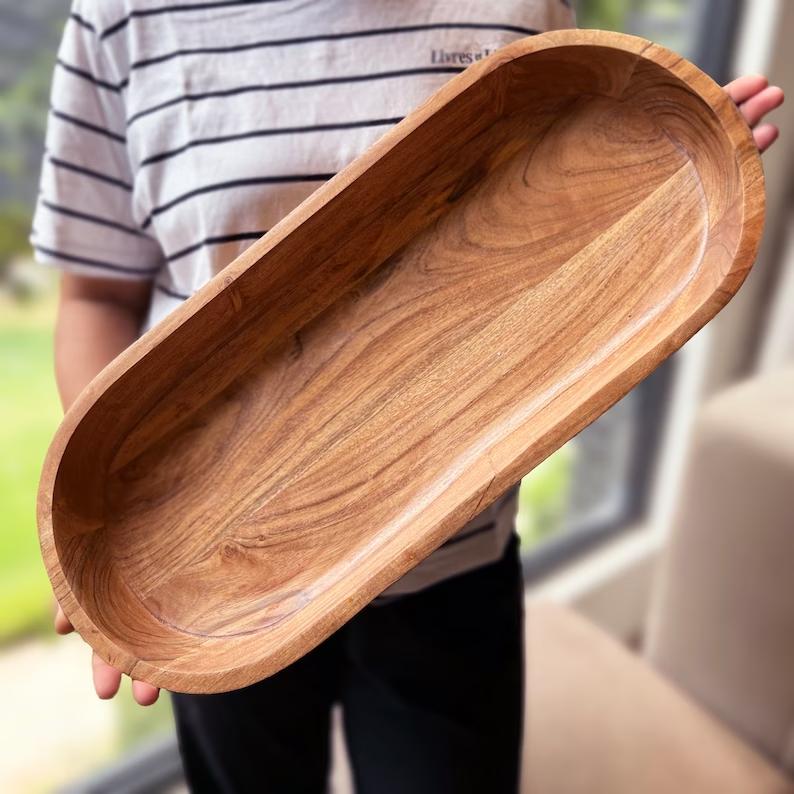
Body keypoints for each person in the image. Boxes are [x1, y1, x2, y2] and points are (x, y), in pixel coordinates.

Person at [34, 1, 783, 792]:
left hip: (450, 567)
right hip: (214, 573)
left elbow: (564, 241)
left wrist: (662, 190)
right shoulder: (123, 17)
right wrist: (119, 527)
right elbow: (95, 298)